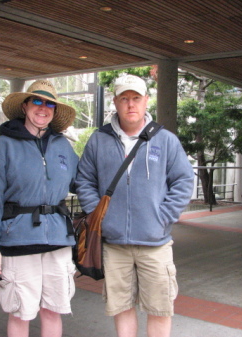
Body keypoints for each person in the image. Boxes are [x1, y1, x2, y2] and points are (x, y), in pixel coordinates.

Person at [75, 74, 194, 337]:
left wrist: (162, 217)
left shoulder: (165, 140)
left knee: (160, 309)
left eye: (136, 98)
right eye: (124, 98)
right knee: (122, 308)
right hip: (114, 244)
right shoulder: (99, 139)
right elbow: (84, 179)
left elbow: (184, 180)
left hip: (155, 244)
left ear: (146, 101)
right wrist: (99, 216)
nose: (131, 105)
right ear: (115, 102)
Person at [0, 79, 78, 337]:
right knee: (21, 311)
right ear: (25, 106)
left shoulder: (63, 146)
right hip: (17, 238)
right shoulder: (4, 145)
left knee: (54, 310)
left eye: (49, 104)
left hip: (57, 240)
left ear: (54, 111)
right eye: (36, 101)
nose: (42, 108)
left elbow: (84, 182)